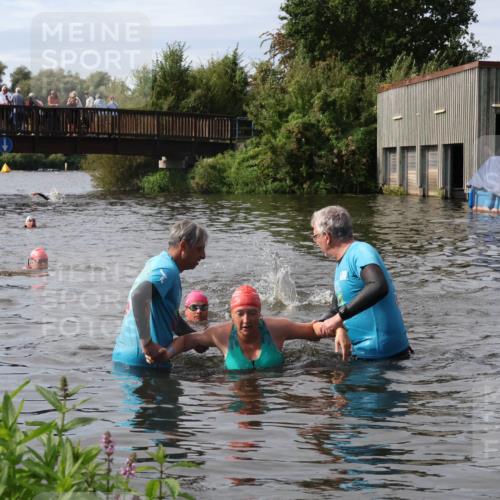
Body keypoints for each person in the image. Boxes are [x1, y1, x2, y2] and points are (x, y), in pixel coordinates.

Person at [147, 285, 328, 370]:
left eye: (252, 313)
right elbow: (188, 340)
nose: (246, 319)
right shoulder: (221, 334)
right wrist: (167, 354)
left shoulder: (276, 328)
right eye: (240, 313)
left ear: (260, 314)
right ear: (231, 316)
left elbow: (312, 330)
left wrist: (340, 328)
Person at [311, 205, 410, 360]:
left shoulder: (360, 251)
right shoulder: (341, 264)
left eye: (315, 236)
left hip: (381, 356)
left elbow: (378, 285)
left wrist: (338, 318)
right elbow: (335, 309)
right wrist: (320, 323)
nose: (315, 241)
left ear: (327, 236)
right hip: (363, 354)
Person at [112, 220, 208, 369]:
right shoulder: (168, 270)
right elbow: (139, 296)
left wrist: (196, 339)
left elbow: (168, 315)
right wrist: (147, 344)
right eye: (199, 249)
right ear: (183, 246)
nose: (203, 255)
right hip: (144, 364)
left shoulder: (157, 262)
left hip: (126, 359)